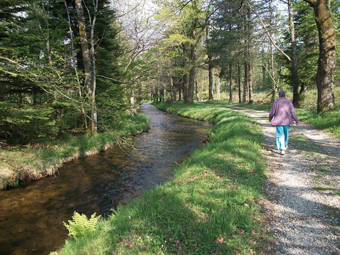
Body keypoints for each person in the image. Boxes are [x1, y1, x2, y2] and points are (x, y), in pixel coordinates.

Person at [269, 90, 299, 155]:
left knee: (280, 135)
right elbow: (293, 112)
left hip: (278, 121)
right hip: (287, 121)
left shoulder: (276, 102)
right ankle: (284, 146)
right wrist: (296, 120)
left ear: (279, 95)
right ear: (285, 95)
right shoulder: (289, 102)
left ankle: (282, 148)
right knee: (286, 134)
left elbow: (272, 112)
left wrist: (270, 118)